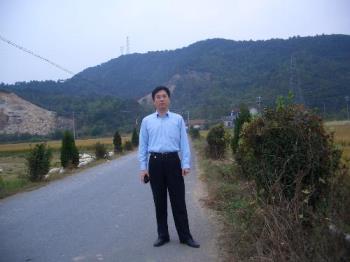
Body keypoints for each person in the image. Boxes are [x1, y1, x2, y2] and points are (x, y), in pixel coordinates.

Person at [138, 86, 200, 248]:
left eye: (164, 96)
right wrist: (143, 168)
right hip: (155, 163)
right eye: (158, 97)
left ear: (169, 99)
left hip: (173, 162)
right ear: (153, 101)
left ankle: (185, 236)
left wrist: (185, 164)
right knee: (159, 201)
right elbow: (142, 146)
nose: (161, 99)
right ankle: (163, 235)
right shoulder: (147, 121)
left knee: (178, 200)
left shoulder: (178, 119)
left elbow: (184, 144)